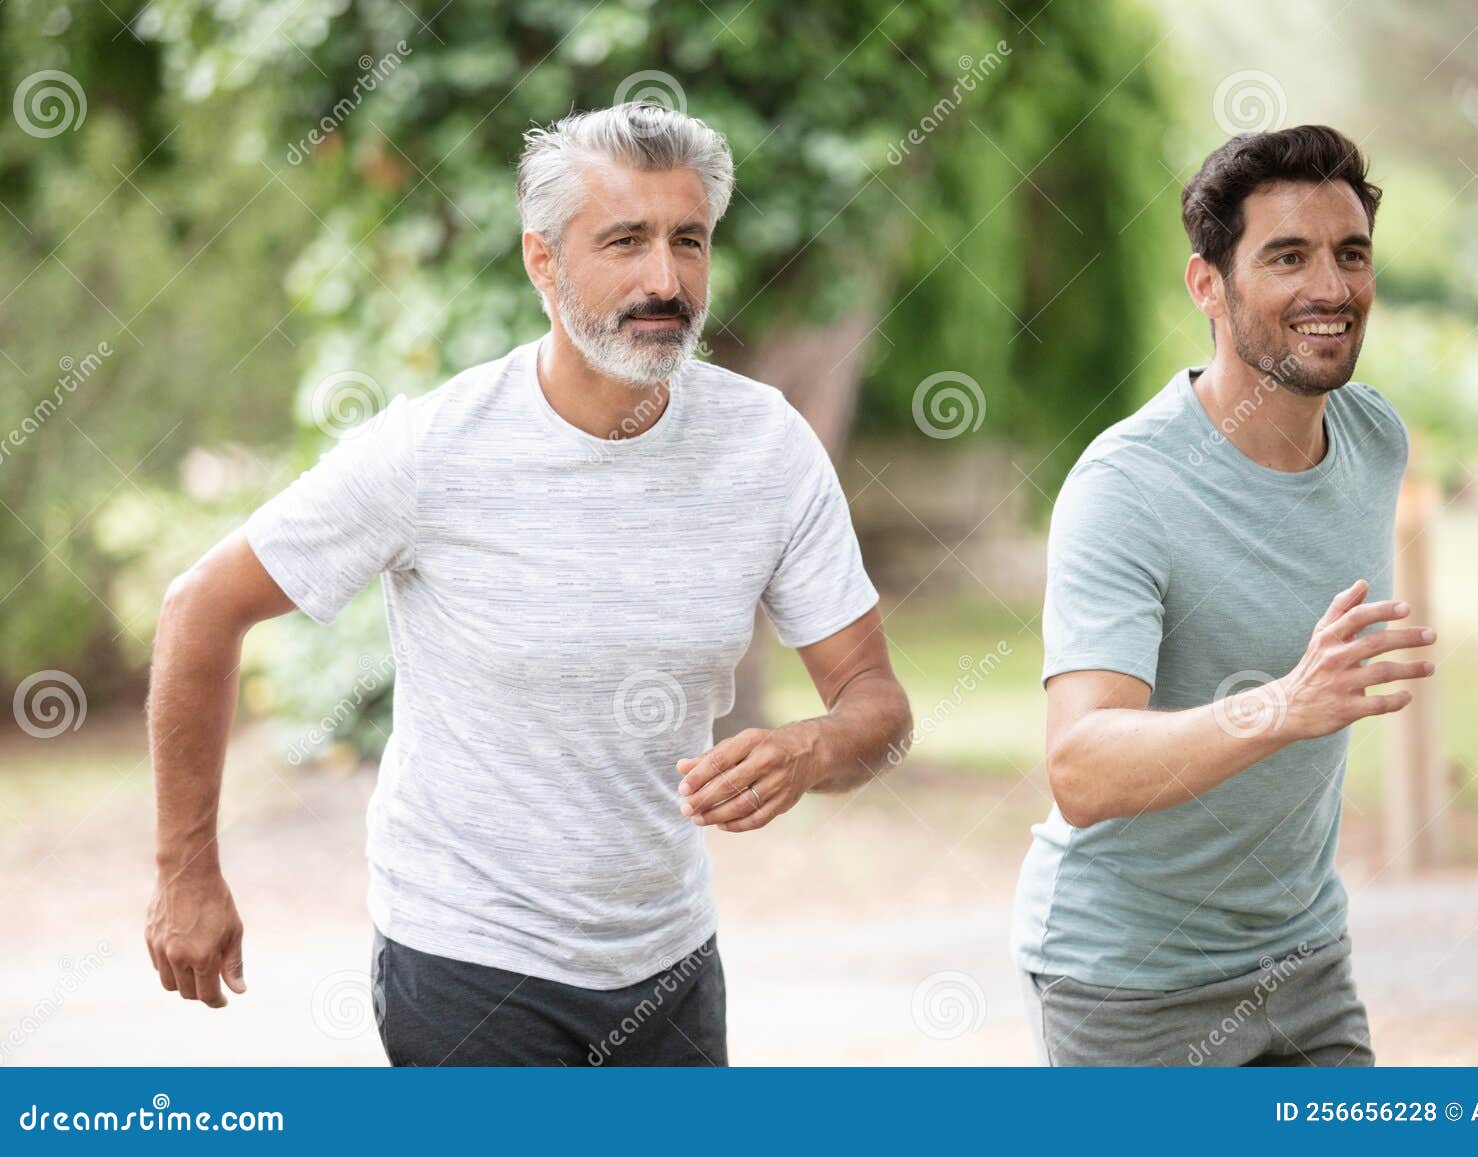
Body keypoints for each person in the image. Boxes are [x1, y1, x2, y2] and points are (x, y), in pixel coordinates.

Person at [144, 102, 912, 1067]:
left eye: (689, 241)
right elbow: (200, 607)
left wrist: (813, 748)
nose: (665, 280)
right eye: (625, 241)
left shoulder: (768, 447)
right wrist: (186, 871)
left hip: (667, 958)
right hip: (467, 956)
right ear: (543, 262)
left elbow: (875, 701)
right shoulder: (436, 448)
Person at [1012, 125, 1436, 1066]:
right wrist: (1286, 703)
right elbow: (1081, 769)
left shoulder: (1374, 439)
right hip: (1130, 983)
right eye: (1287, 257)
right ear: (1209, 284)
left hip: (1304, 962)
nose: (1331, 288)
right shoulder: (1126, 486)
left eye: (1350, 254)